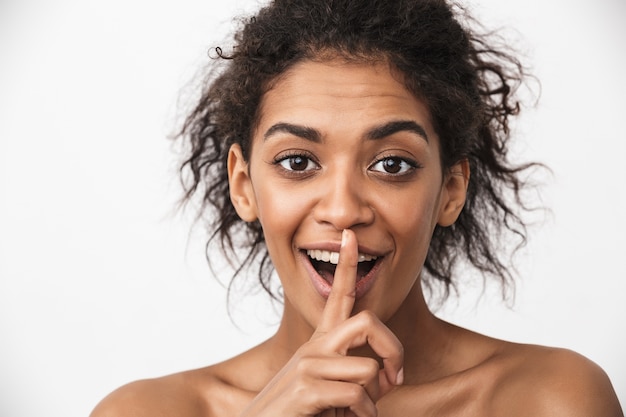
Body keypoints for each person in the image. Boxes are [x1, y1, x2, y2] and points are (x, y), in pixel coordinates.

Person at [90, 0, 623, 415]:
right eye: (298, 161)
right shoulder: (142, 412)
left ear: (452, 189)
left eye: (391, 165)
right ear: (244, 184)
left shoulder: (550, 401)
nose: (343, 210)